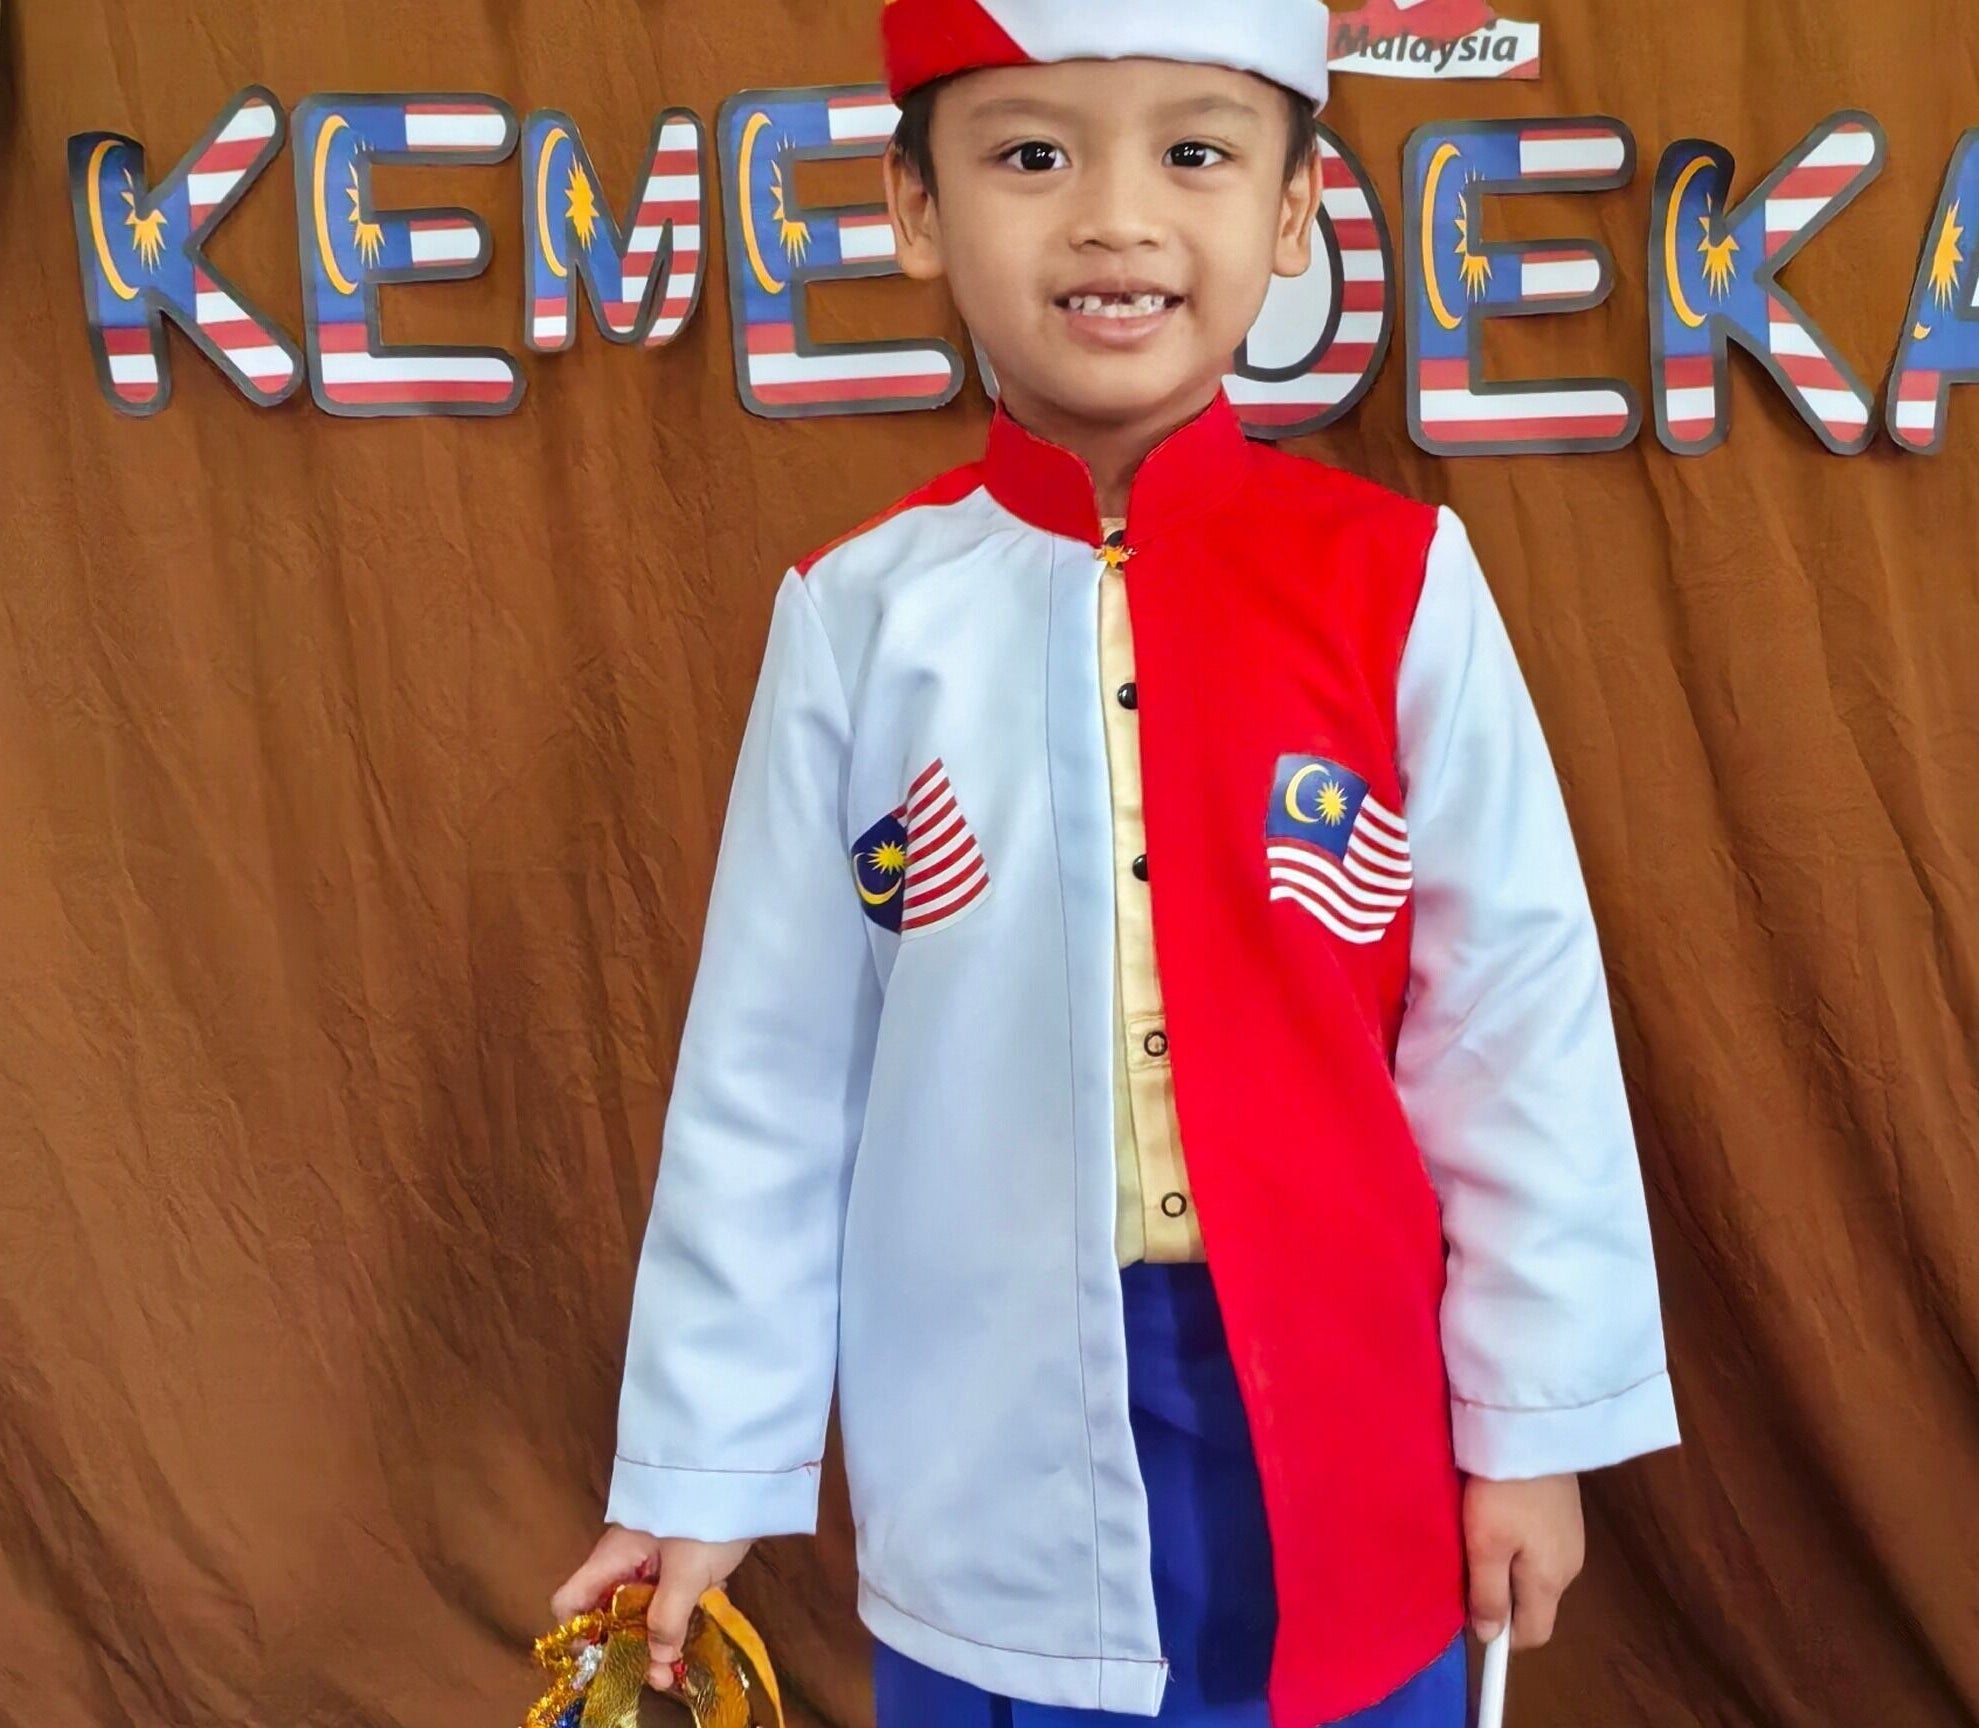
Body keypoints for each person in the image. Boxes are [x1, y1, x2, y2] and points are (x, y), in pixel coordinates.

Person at [550, 2, 1680, 1722]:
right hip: (981, 1399)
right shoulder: (860, 615)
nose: (1115, 219)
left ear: (1291, 213)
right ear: (918, 208)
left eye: (1195, 151)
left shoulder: (1396, 581)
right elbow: (771, 1073)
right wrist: (699, 1468)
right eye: (1031, 153)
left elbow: (1512, 1029)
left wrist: (1528, 1427)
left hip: (1340, 1392)